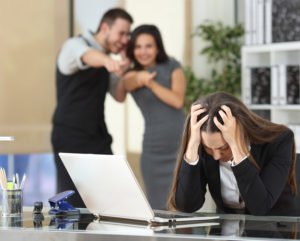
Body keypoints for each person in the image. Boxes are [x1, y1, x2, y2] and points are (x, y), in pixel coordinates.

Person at [51, 8, 133, 207]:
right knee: (73, 204)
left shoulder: (108, 61)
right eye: (121, 33)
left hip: (97, 138)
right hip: (70, 138)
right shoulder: (75, 45)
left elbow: (119, 95)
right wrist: (107, 61)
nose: (124, 40)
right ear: (105, 28)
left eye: (127, 35)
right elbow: (86, 56)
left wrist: (125, 69)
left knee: (116, 197)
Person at [168, 91, 297, 216]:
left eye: (223, 148)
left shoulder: (280, 140)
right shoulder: (203, 146)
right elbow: (187, 206)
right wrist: (192, 146)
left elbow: (260, 207)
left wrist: (236, 146)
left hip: (276, 230)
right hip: (228, 230)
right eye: (208, 148)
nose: (216, 156)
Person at [123, 24, 186, 210]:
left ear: (157, 46)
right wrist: (141, 76)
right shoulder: (131, 75)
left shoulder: (173, 66)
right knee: (158, 208)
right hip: (154, 152)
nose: (143, 51)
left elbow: (177, 101)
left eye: (148, 46)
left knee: (183, 206)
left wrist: (150, 84)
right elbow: (128, 83)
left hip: (180, 148)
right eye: (138, 46)